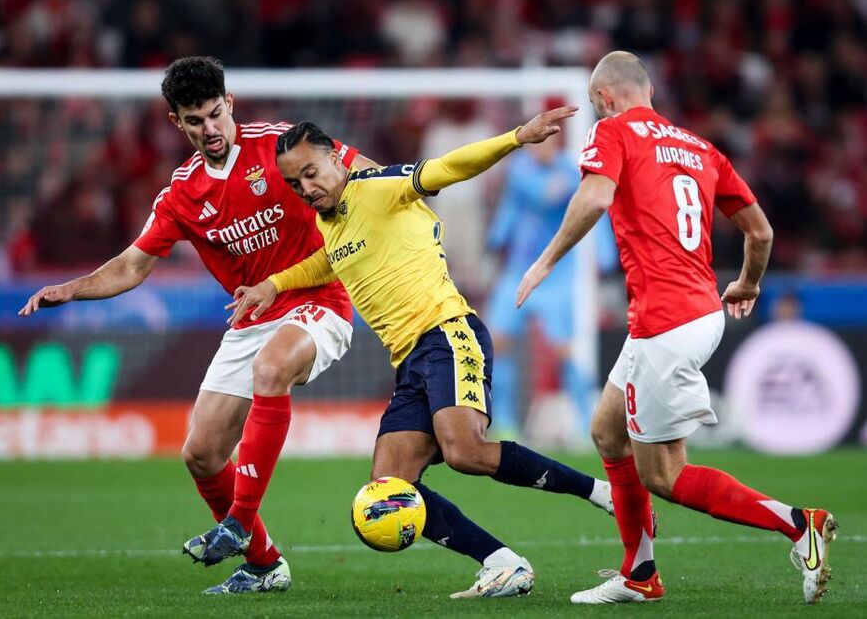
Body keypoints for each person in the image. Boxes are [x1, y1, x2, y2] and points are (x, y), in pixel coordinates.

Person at [18, 56, 376, 595]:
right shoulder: (182, 194)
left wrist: (409, 191)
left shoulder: (278, 145)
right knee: (201, 453)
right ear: (175, 123)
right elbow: (133, 265)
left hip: (318, 301)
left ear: (229, 104)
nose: (210, 130)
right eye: (195, 120)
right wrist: (72, 288)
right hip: (251, 317)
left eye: (215, 114)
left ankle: (236, 522)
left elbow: (364, 170)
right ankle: (263, 564)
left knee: (271, 364)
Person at [223, 111, 616, 599]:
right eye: (293, 182)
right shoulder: (332, 223)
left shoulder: (377, 187)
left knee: (464, 451)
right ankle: (502, 563)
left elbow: (447, 168)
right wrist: (272, 284)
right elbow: (329, 261)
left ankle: (600, 492)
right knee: (390, 487)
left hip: (448, 333)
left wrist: (517, 138)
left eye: (311, 172)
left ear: (334, 159)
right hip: (409, 361)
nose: (305, 187)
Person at [516, 51, 837, 605]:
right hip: (698, 311)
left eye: (597, 104)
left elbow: (594, 198)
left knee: (663, 473)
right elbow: (760, 234)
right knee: (607, 431)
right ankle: (639, 573)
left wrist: (545, 261)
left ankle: (798, 523)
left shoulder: (611, 131)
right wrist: (748, 284)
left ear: (604, 98)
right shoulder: (699, 147)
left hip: (664, 323)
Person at [485, 131, 616, 439]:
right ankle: (505, 424)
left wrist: (604, 254)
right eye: (535, 143)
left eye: (545, 142)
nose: (539, 148)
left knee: (564, 351)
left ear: (557, 142)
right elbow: (529, 199)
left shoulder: (573, 172)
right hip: (517, 271)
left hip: (557, 275)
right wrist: (495, 240)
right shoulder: (520, 169)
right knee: (496, 343)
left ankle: (587, 427)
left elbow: (593, 209)